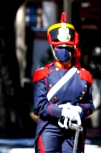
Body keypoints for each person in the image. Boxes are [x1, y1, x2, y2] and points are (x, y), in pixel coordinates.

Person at [32, 12, 94, 153]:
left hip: (74, 128)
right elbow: (40, 105)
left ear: (73, 49)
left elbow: (90, 104)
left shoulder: (84, 75)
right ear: (53, 49)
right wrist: (63, 112)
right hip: (49, 127)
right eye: (59, 47)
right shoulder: (43, 74)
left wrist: (79, 111)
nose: (64, 51)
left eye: (67, 47)